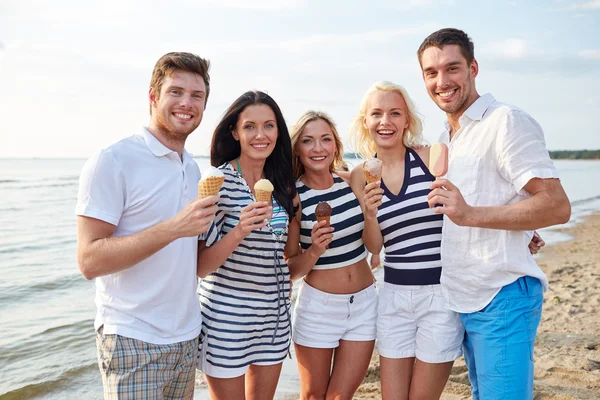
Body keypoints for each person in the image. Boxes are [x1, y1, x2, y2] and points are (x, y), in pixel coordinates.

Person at [418, 28, 571, 399]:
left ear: (473, 68)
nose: (442, 81)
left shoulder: (505, 121)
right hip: (462, 295)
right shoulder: (448, 138)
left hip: (500, 294)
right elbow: (509, 199)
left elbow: (556, 204)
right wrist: (519, 226)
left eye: (452, 68)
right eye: (431, 73)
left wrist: (470, 214)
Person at [75, 52, 218, 398]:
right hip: (132, 339)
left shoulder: (192, 168)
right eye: (176, 92)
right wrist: (174, 227)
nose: (187, 103)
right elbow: (89, 261)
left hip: (186, 336)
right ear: (153, 97)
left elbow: (191, 263)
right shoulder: (113, 161)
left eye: (196, 96)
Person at [349, 81, 464, 400]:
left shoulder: (433, 157)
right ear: (366, 122)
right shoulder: (361, 175)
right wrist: (370, 214)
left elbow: (475, 193)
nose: (385, 121)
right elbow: (374, 247)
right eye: (377, 114)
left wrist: (523, 231)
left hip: (439, 296)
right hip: (393, 296)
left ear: (407, 121)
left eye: (394, 113)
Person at [195, 91, 297, 400]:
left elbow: (284, 255)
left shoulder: (282, 185)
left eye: (269, 126)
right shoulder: (218, 183)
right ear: (235, 132)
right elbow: (201, 267)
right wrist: (240, 230)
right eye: (250, 126)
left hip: (274, 316)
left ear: (278, 132)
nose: (260, 135)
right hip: (226, 316)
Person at [285, 111, 378, 399]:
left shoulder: (352, 182)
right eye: (308, 141)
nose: (318, 148)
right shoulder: (293, 197)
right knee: (314, 396)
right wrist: (314, 250)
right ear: (297, 149)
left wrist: (371, 214)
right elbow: (290, 268)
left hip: (364, 304)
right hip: (319, 308)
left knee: (342, 396)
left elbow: (374, 246)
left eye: (325, 139)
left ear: (335, 145)